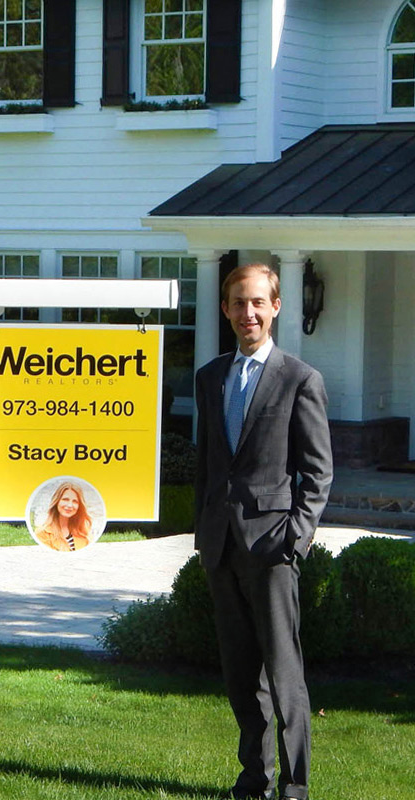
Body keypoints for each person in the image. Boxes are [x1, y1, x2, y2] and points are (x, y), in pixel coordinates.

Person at [194, 264, 333, 800]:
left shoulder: (299, 379)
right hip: (222, 547)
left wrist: (295, 538)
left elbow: (317, 473)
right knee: (239, 677)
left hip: (273, 547)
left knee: (283, 675)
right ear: (225, 309)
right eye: (237, 303)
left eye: (256, 302)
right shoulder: (210, 379)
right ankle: (254, 780)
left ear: (275, 307)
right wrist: (203, 534)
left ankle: (294, 788)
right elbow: (210, 465)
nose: (246, 313)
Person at [33, 481, 92, 551]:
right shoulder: (42, 533)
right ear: (57, 502)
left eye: (75, 501)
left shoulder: (84, 532)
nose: (70, 505)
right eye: (65, 499)